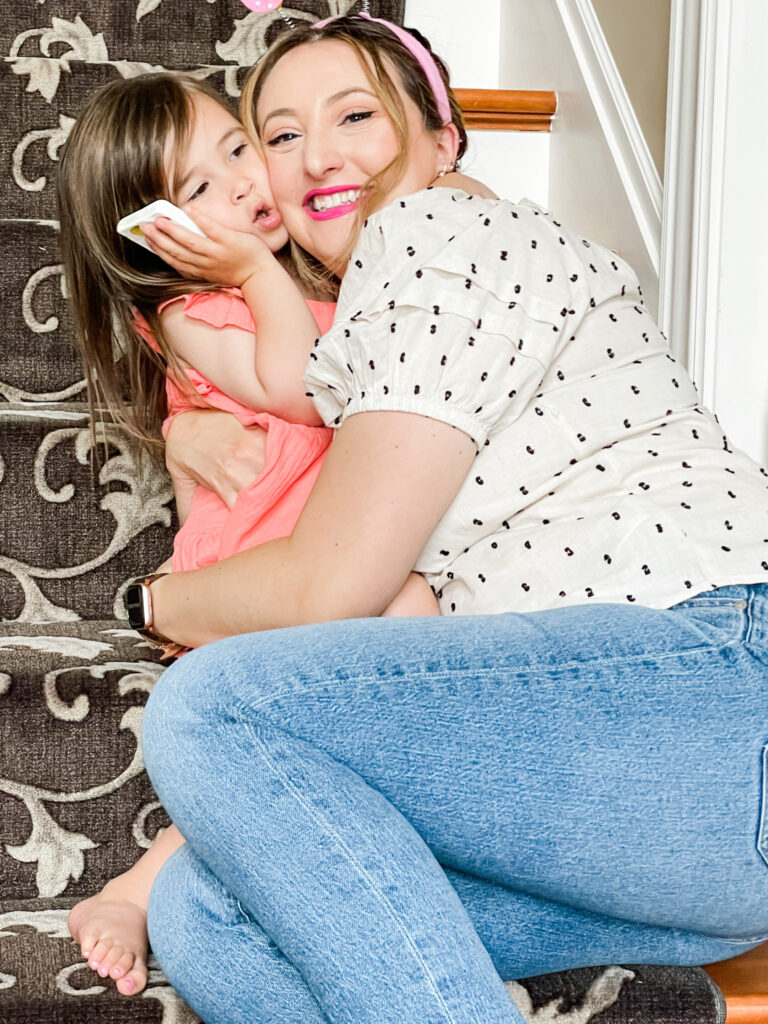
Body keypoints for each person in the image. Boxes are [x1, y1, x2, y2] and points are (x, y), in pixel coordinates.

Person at [134, 14, 768, 1024]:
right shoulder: (389, 310)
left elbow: (324, 588)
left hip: (720, 688)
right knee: (208, 911)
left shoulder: (436, 234)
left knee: (210, 707)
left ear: (443, 138)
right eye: (281, 135)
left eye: (355, 115)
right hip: (676, 838)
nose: (316, 156)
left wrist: (149, 600)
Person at [56, 69, 438, 998]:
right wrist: (253, 272)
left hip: (336, 563)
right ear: (150, 237)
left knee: (410, 624)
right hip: (260, 581)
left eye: (237, 147)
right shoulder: (192, 311)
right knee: (275, 736)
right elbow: (302, 383)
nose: (240, 184)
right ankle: (139, 888)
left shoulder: (318, 265)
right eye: (196, 189)